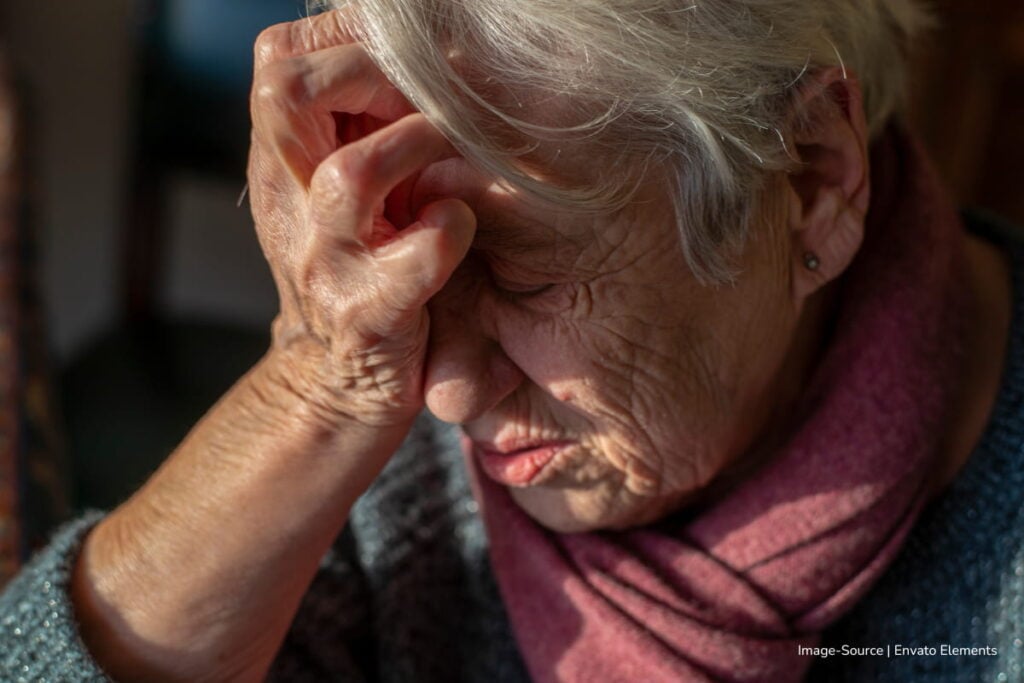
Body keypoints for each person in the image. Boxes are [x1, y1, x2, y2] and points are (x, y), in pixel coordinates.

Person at [1, 1, 1021, 681]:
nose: (443, 395)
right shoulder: (388, 372)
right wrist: (314, 384)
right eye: (419, 261)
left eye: (525, 275)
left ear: (807, 177)